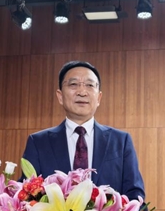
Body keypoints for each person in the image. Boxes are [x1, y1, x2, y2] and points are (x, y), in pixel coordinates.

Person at [22, 61, 145, 201]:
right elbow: (27, 194)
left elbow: (135, 195)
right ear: (60, 96)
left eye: (89, 85)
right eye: (73, 84)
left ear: (98, 98)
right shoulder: (38, 143)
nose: (82, 92)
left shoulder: (121, 141)